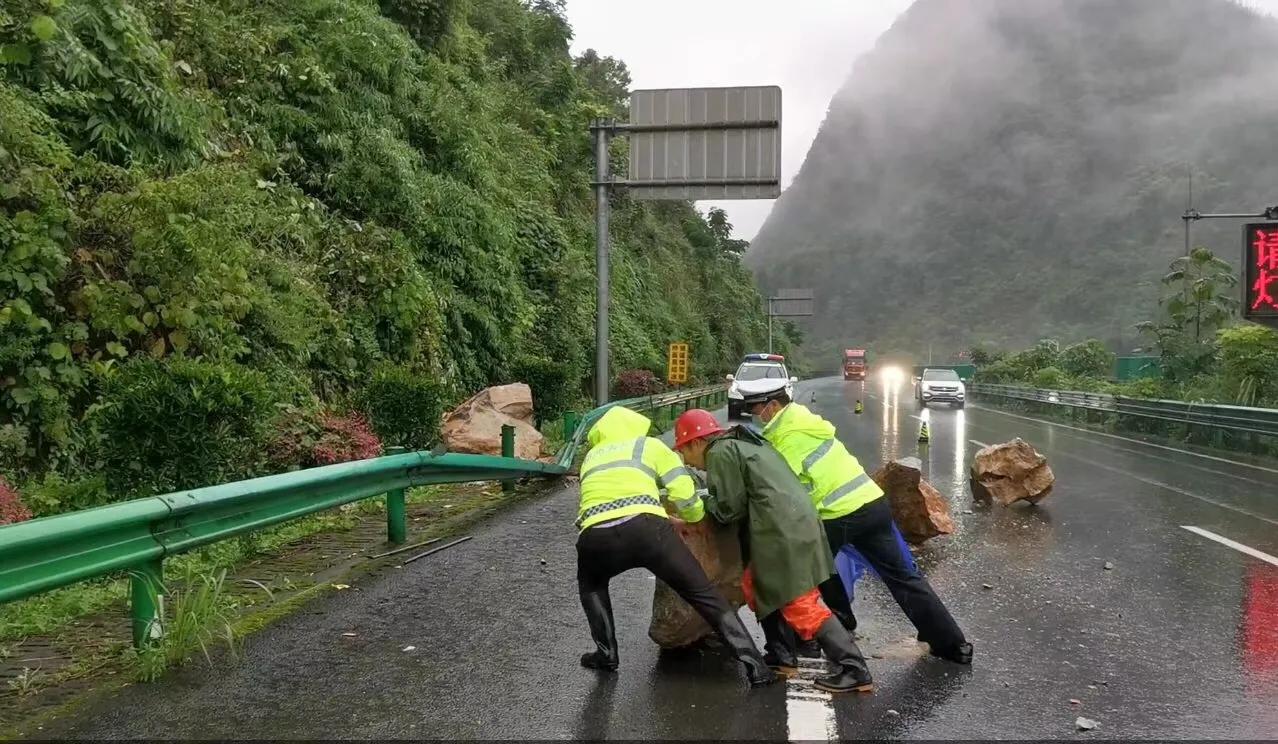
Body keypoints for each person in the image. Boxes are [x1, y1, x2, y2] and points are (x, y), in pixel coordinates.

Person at [741, 381, 974, 665]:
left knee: (806, 569)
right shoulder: (806, 422)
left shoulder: (787, 437)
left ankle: (833, 626)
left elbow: (784, 491)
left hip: (838, 513)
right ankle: (953, 645)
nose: (755, 416)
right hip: (872, 504)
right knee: (904, 578)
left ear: (773, 405)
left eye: (756, 410)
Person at [672, 409, 874, 693]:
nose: (687, 462)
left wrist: (693, 516)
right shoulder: (742, 442)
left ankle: (855, 670)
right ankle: (781, 656)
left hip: (781, 531)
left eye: (683, 452)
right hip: (788, 523)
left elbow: (729, 508)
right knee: (757, 586)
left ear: (696, 442)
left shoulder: (720, 452)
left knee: (798, 602)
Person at [574, 406, 775, 686]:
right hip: (648, 532)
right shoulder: (650, 446)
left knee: (591, 587)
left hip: (595, 535)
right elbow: (682, 489)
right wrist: (692, 517)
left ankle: (606, 654)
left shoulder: (591, 457)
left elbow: (605, 497)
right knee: (703, 593)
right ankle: (757, 667)